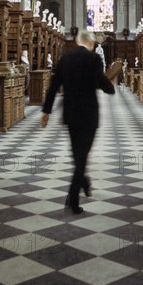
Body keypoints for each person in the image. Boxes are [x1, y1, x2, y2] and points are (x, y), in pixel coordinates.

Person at [41, 30, 115, 214]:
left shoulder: (65, 58)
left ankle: (83, 181)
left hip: (71, 112)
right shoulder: (94, 59)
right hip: (89, 113)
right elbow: (101, 82)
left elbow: (53, 85)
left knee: (77, 154)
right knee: (83, 155)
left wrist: (46, 111)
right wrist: (110, 87)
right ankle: (73, 197)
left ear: (76, 41)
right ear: (91, 44)